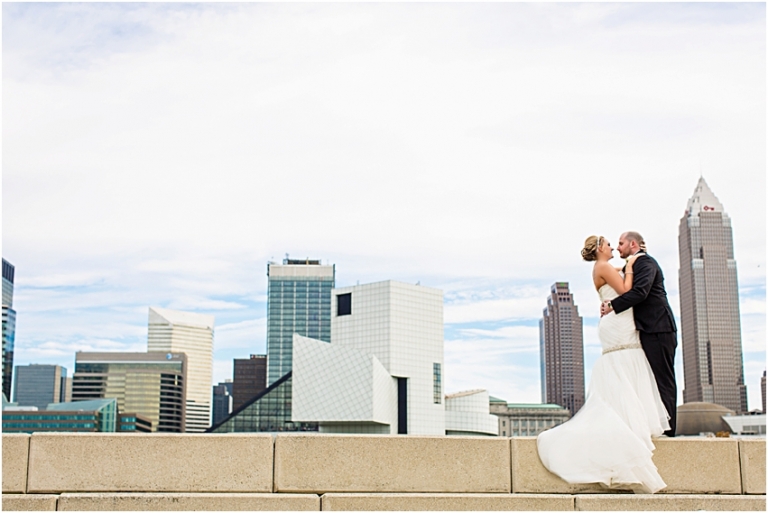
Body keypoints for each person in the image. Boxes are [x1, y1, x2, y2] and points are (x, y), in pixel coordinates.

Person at [537, 235, 670, 494]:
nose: (613, 247)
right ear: (600, 248)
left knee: (627, 370)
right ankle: (627, 430)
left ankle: (630, 425)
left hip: (619, 322)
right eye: (609, 244)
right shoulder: (604, 266)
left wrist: (629, 263)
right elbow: (625, 290)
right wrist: (631, 265)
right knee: (626, 365)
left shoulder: (605, 267)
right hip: (618, 325)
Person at [600, 231, 678, 437]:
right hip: (648, 329)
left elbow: (640, 292)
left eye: (621, 243)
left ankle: (669, 431)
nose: (617, 247)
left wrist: (612, 306)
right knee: (651, 378)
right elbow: (620, 272)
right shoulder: (635, 263)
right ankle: (657, 426)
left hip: (659, 328)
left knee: (663, 379)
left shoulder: (645, 263)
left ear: (633, 244)